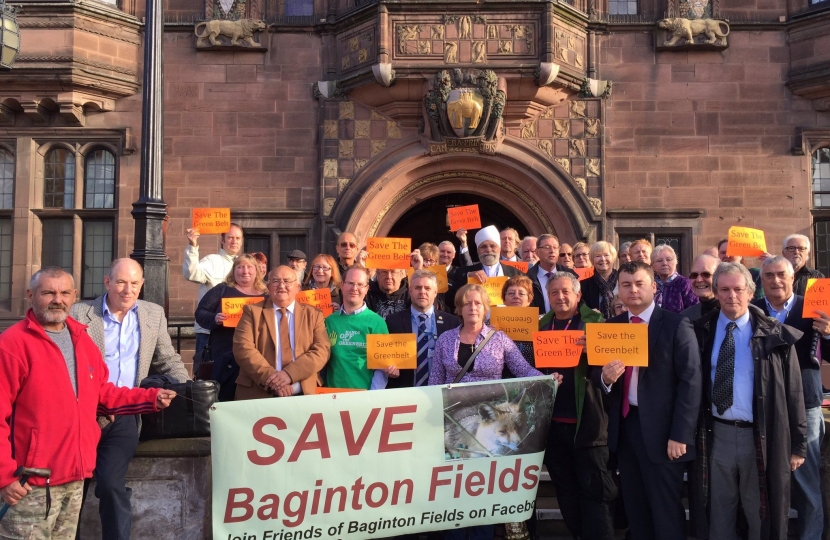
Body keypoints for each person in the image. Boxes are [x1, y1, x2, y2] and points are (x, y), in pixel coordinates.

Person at [0, 268, 174, 540]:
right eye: (48, 292)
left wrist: (150, 397)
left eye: (64, 293)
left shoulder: (81, 340)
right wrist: (4, 476)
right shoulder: (12, 344)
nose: (57, 299)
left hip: (74, 476)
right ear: (30, 295)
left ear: (74, 297)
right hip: (31, 481)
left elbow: (101, 393)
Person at [429, 283, 561, 540]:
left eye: (478, 303)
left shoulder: (499, 339)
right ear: (459, 308)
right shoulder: (446, 340)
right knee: (454, 488)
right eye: (467, 303)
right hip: (455, 427)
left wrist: (549, 379)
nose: (472, 308)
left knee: (482, 489)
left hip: (491, 427)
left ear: (486, 308)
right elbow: (435, 382)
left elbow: (524, 370)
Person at [70, 259, 189, 540]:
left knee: (111, 483)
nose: (128, 290)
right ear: (107, 282)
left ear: (142, 285)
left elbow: (166, 358)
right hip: (83, 412)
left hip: (124, 411)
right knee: (74, 486)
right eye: (121, 282)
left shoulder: (152, 314)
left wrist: (187, 390)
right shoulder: (79, 312)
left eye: (134, 283)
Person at [690, 262, 806, 540]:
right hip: (717, 434)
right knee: (719, 513)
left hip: (761, 436)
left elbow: (794, 392)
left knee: (760, 514)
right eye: (725, 290)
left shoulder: (776, 334)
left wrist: (799, 445)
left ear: (751, 292)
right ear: (716, 293)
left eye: (738, 289)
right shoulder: (699, 331)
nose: (732, 296)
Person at [596, 260, 701, 540]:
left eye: (639, 283)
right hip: (627, 431)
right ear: (618, 289)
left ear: (654, 287)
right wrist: (605, 379)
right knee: (636, 510)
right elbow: (599, 377)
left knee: (665, 511)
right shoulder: (612, 326)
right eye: (626, 285)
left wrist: (680, 435)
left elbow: (690, 383)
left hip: (665, 434)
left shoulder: (677, 324)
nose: (632, 290)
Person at [751, 256, 828, 540]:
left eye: (780, 274)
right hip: (762, 405)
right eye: (768, 275)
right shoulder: (752, 310)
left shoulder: (813, 310)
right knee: (763, 481)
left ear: (792, 276)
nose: (775, 280)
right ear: (761, 280)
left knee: (806, 482)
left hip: (805, 403)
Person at [538, 273, 615, 540]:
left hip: (588, 425)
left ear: (578, 295)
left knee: (595, 494)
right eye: (554, 292)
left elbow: (612, 368)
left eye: (565, 292)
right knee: (566, 491)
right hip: (554, 425)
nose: (560, 297)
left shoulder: (595, 322)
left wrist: (592, 350)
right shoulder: (541, 326)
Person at [232, 265, 330, 399]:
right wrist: (274, 381)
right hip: (259, 394)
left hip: (304, 394)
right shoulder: (251, 312)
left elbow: (321, 350)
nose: (281, 286)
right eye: (276, 281)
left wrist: (289, 374)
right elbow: (243, 348)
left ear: (298, 287)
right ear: (268, 286)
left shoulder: (314, 314)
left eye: (287, 281)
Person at [195, 254, 267, 401]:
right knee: (226, 396)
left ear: (257, 271)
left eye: (249, 267)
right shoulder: (222, 290)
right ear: (234, 271)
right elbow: (200, 312)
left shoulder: (266, 295)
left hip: (259, 356)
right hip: (225, 355)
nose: (245, 271)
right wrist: (214, 319)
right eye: (240, 267)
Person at [385, 270, 461, 389]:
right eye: (418, 287)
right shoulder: (393, 321)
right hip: (405, 390)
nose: (422, 292)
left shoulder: (451, 323)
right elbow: (385, 355)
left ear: (435, 292)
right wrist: (388, 366)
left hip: (442, 391)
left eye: (427, 288)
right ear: (410, 290)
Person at [183, 223, 243, 368]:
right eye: (230, 238)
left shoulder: (243, 264)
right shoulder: (212, 260)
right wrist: (193, 246)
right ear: (222, 240)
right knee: (207, 380)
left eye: (237, 238)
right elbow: (192, 273)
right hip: (209, 333)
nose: (234, 241)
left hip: (236, 332)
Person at [325, 266, 392, 390]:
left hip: (363, 396)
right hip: (331, 396)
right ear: (342, 285)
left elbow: (382, 368)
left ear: (367, 289)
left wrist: (372, 397)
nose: (354, 288)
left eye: (360, 285)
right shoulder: (329, 321)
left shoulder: (376, 322)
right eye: (350, 283)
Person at [458, 226, 524, 294]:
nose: (488, 250)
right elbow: (451, 300)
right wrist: (469, 277)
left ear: (500, 248)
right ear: (478, 250)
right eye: (483, 247)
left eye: (493, 246)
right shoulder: (467, 273)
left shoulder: (517, 273)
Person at [528, 234, 576, 313]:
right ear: (537, 252)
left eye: (555, 247)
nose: (552, 251)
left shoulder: (571, 275)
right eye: (547, 247)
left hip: (567, 324)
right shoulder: (528, 278)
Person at [652, 244, 699, 313]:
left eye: (668, 260)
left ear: (676, 262)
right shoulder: (651, 285)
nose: (664, 263)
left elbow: (695, 310)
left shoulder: (685, 284)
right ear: (653, 266)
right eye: (659, 260)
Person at [501, 275, 537, 364]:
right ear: (504, 299)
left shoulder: (540, 323)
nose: (516, 296)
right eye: (511, 293)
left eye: (521, 293)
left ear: (529, 299)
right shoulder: (490, 324)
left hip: (530, 375)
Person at [579, 241, 618, 319]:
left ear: (613, 258)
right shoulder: (584, 285)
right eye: (598, 256)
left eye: (606, 255)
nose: (603, 259)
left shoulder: (623, 281)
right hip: (594, 328)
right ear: (592, 260)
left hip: (624, 328)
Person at [679, 254, 720, 322]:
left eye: (706, 274)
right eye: (694, 275)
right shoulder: (685, 317)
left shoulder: (731, 313)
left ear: (719, 277)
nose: (699, 280)